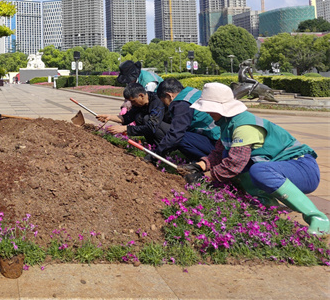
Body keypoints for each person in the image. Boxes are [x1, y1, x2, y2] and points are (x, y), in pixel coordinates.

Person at [181, 82, 329, 235]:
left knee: (259, 170)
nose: (207, 112)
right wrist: (200, 166)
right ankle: (266, 202)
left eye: (208, 109)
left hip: (303, 169)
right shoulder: (227, 124)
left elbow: (235, 164)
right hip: (281, 168)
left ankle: (318, 218)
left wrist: (207, 177)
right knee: (229, 155)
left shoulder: (243, 126)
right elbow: (218, 153)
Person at [155, 78, 219, 160]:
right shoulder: (190, 92)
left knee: (180, 138)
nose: (166, 105)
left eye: (164, 102)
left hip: (217, 142)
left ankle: (207, 161)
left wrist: (156, 154)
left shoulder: (181, 104)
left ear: (169, 95)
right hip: (220, 137)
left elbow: (176, 134)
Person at [97, 83, 167, 145]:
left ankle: (162, 149)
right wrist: (109, 117)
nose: (132, 104)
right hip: (158, 128)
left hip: (170, 130)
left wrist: (125, 129)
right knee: (138, 117)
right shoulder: (138, 104)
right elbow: (127, 118)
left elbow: (152, 127)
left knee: (146, 119)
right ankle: (152, 146)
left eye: (133, 101)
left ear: (141, 96)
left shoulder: (157, 101)